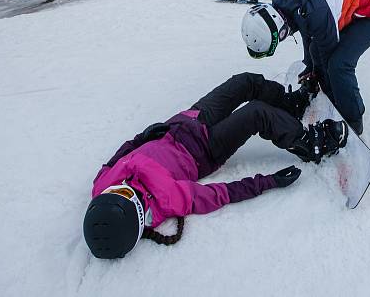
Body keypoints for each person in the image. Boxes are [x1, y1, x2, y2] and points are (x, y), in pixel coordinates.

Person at [82, 73, 348, 259]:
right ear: (137, 213)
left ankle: (291, 105)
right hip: (205, 149)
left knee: (245, 82)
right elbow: (221, 194)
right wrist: (268, 182)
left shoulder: (102, 185)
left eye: (115, 190)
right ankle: (311, 144)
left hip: (187, 119)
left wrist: (146, 135)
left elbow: (123, 152)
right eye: (125, 194)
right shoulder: (167, 199)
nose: (122, 187)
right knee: (256, 113)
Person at [241, 0, 370, 134]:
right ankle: (337, 98)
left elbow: (328, 53)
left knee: (339, 65)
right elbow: (307, 29)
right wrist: (311, 67)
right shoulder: (282, 2)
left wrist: (327, 85)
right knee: (318, 52)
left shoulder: (315, 12)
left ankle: (353, 119)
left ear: (280, 29)